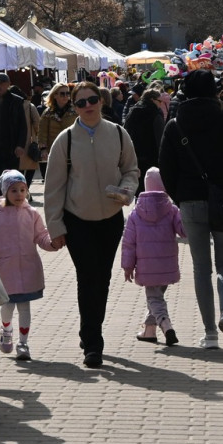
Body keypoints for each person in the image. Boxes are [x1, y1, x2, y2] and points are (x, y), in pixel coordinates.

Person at [43, 82, 139, 369]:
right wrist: (55, 227)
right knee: (88, 278)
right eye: (81, 102)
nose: (88, 106)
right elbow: (53, 188)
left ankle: (91, 329)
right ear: (74, 107)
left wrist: (126, 189)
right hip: (77, 220)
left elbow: (131, 170)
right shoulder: (66, 140)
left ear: (101, 101)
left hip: (110, 219)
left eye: (92, 99)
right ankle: (93, 342)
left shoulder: (118, 133)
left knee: (103, 278)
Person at [158, 71, 223, 350]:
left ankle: (210, 333)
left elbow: (165, 167)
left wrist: (179, 196)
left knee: (201, 268)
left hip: (190, 202)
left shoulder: (175, 125)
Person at [0, 170, 55, 361]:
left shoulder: (31, 213)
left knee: (24, 307)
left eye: (22, 189)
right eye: (14, 190)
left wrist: (51, 243)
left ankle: (23, 343)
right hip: (5, 270)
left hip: (27, 268)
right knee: (8, 306)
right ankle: (6, 329)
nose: (19, 194)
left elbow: (41, 235)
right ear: (5, 192)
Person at [121, 167, 185, 345]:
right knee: (156, 296)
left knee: (154, 298)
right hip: (167, 265)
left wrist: (127, 266)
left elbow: (128, 243)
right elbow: (183, 231)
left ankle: (166, 324)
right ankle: (149, 331)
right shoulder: (172, 210)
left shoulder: (135, 214)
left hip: (147, 267)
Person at [122, 88, 166, 193]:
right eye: (159, 101)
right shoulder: (155, 114)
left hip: (134, 157)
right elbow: (161, 140)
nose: (160, 104)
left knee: (138, 190)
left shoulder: (132, 111)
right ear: (152, 100)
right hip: (151, 159)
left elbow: (125, 132)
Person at [37, 83, 75, 181]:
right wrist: (43, 149)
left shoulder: (75, 111)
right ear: (55, 95)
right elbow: (42, 132)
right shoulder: (47, 113)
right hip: (54, 150)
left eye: (68, 93)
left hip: (73, 149)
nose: (65, 96)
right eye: (62, 94)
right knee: (57, 178)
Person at [11, 85, 41, 189]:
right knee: (30, 167)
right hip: (29, 141)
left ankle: (20, 188)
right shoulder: (30, 106)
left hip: (13, 142)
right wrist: (37, 136)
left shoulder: (9, 106)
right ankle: (25, 188)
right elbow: (37, 123)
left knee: (17, 168)